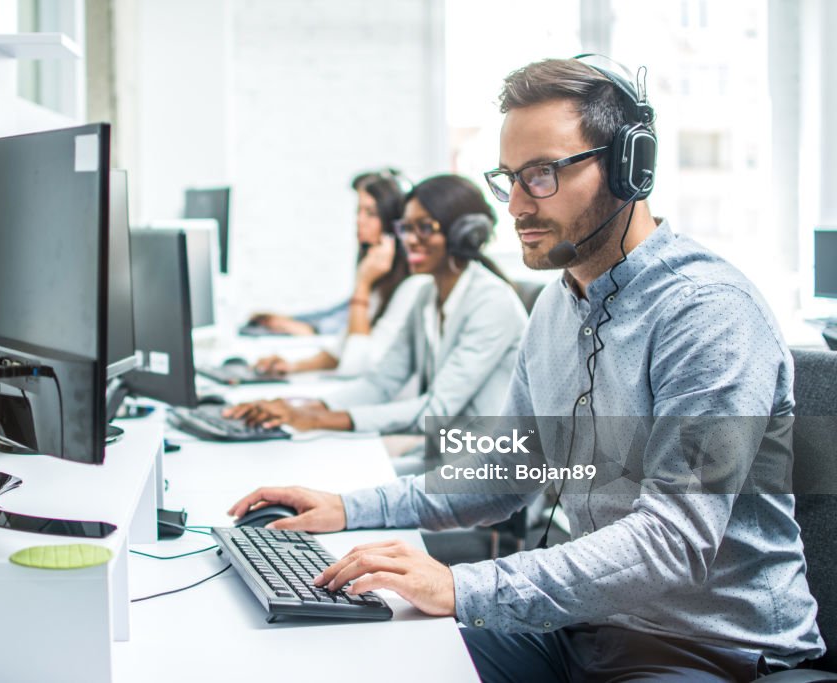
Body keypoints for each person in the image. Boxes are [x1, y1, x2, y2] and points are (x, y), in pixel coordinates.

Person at [227, 57, 824, 681]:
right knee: (350, 658)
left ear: (629, 168)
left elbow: (672, 541)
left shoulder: (708, 315)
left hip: (707, 652)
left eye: (540, 175)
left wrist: (461, 586)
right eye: (508, 178)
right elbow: (505, 473)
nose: (514, 205)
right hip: (580, 631)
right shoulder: (555, 308)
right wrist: (348, 507)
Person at [225, 174, 527, 433]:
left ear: (465, 233)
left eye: (425, 227)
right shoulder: (426, 296)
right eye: (406, 228)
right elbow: (381, 383)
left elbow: (435, 411)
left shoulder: (491, 302)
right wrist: (298, 406)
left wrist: (317, 419)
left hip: (492, 467)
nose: (410, 240)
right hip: (446, 453)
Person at [254, 173, 429, 377]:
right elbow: (341, 350)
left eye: (370, 213)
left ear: (393, 223)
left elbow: (355, 365)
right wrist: (292, 366)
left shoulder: (412, 287)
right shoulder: (381, 280)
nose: (359, 221)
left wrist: (362, 284)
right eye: (358, 211)